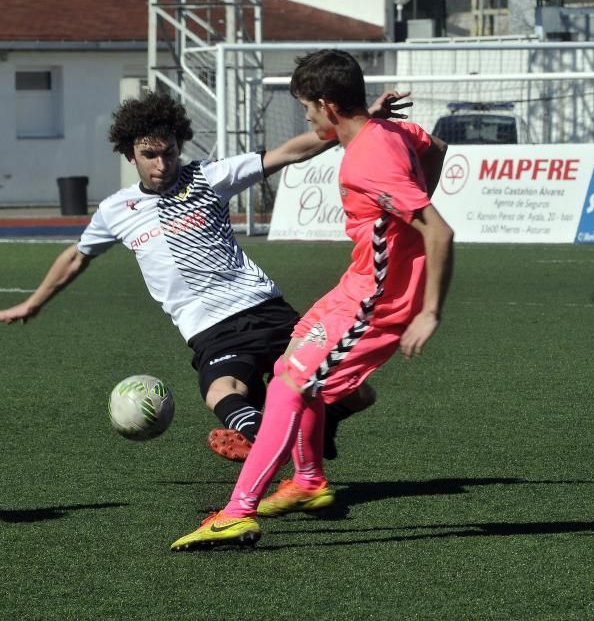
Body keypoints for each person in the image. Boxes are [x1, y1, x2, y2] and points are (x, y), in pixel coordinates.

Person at [0, 89, 410, 462]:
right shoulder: (116, 210)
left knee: (357, 391)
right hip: (210, 331)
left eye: (168, 152)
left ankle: (302, 432)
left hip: (266, 309)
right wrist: (33, 302)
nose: (161, 164)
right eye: (150, 155)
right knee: (220, 391)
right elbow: (77, 257)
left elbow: (289, 152)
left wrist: (360, 122)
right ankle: (276, 438)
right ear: (129, 154)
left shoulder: (207, 177)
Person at [170, 49, 453, 551]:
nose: (304, 113)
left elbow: (439, 232)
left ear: (326, 104)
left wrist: (429, 311)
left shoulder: (368, 160)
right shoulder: (387, 132)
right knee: (285, 372)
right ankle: (307, 480)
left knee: (290, 389)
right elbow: (436, 147)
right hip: (356, 285)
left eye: (305, 105)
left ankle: (238, 511)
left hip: (380, 302)